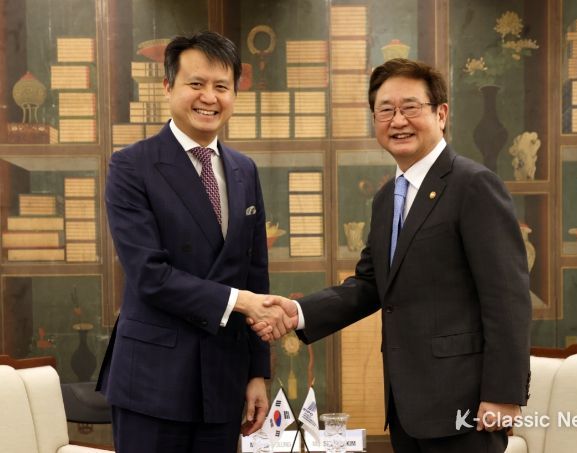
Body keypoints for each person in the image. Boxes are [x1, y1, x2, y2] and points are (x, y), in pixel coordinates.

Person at [251, 58, 531, 453]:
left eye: (410, 107)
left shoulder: (473, 185)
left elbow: (507, 297)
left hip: (464, 405)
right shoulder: (387, 198)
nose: (398, 120)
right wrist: (296, 313)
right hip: (407, 406)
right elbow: (370, 285)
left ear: (441, 114)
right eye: (386, 110)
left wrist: (503, 395)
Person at [96, 31, 293, 453]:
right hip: (152, 381)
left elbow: (255, 274)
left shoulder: (244, 170)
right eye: (196, 83)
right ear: (168, 87)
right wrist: (239, 301)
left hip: (222, 381)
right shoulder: (131, 166)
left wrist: (256, 373)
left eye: (222, 86)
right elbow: (150, 276)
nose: (209, 97)